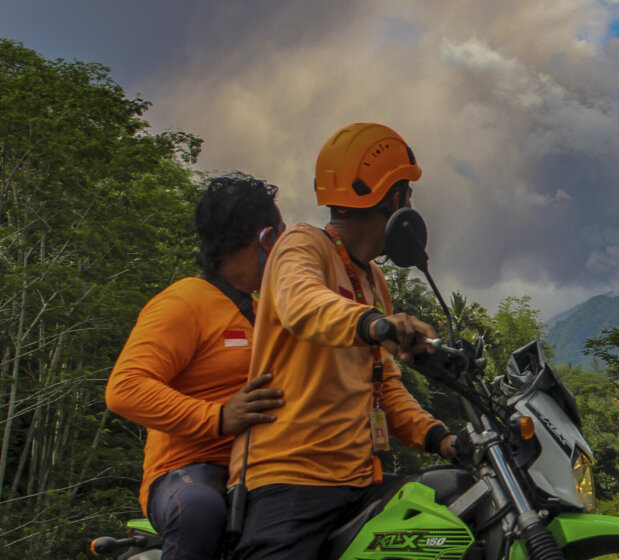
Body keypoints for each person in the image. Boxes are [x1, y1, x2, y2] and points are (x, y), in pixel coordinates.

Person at [230, 123, 457, 560]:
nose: (409, 204)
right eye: (407, 193)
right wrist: (377, 325)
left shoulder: (373, 280)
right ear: (395, 198)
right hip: (289, 479)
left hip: (359, 480)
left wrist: (440, 439)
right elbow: (303, 304)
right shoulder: (301, 245)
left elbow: (383, 384)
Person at [105, 173, 286, 560]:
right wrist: (219, 417)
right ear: (262, 235)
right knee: (199, 511)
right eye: (280, 235)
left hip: (262, 467)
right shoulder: (184, 302)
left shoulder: (265, 314)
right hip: (187, 471)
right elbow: (125, 388)